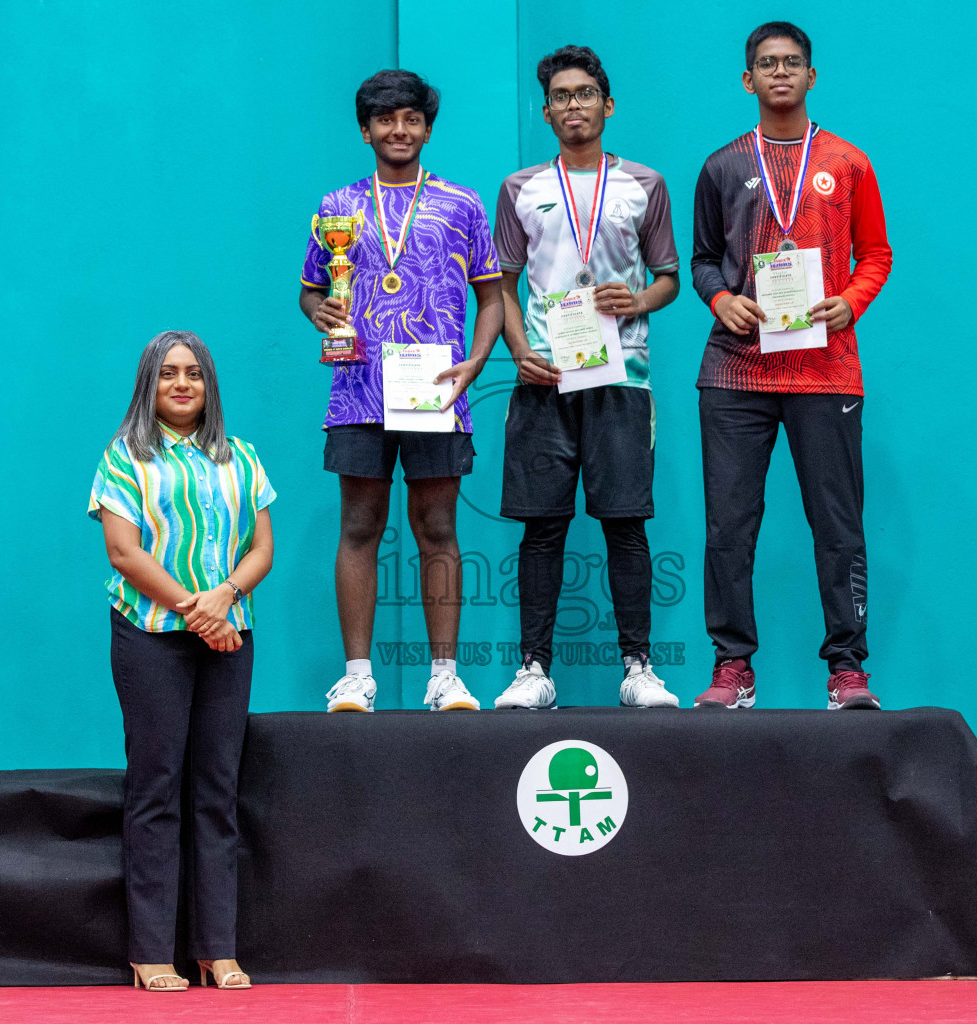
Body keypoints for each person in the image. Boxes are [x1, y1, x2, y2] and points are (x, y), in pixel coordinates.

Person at [690, 22, 893, 711]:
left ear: (812, 76)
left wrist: (850, 303)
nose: (780, 72)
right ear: (748, 80)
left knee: (837, 525)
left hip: (824, 370)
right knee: (729, 525)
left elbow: (877, 254)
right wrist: (722, 300)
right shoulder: (721, 165)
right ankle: (732, 667)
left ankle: (847, 670)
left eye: (792, 63)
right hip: (735, 372)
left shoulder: (849, 161)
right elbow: (702, 259)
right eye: (767, 64)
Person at [300, 69, 505, 713]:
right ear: (365, 131)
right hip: (358, 388)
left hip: (437, 390)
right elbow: (312, 289)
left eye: (411, 118)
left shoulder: (462, 203)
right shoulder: (336, 207)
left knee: (438, 527)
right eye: (385, 120)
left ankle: (445, 675)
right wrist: (320, 314)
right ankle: (357, 674)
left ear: (427, 128)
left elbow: (493, 295)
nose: (399, 130)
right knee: (359, 526)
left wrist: (475, 363)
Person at [490, 46, 681, 710]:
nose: (574, 105)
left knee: (625, 524)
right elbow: (502, 287)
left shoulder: (646, 186)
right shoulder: (520, 189)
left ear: (608, 105)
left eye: (586, 93)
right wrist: (519, 352)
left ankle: (639, 670)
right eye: (562, 96)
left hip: (622, 379)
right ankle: (533, 672)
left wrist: (640, 300)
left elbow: (668, 279)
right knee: (542, 528)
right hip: (545, 380)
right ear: (546, 113)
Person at [88, 331, 276, 991]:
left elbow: (261, 550)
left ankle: (216, 949)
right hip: (151, 637)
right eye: (168, 373)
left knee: (217, 793)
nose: (182, 384)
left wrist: (225, 598)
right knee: (156, 791)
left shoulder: (241, 457)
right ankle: (150, 953)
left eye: (193, 373)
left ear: (209, 385)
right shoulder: (124, 458)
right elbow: (124, 553)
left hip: (228, 638)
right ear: (149, 383)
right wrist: (197, 611)